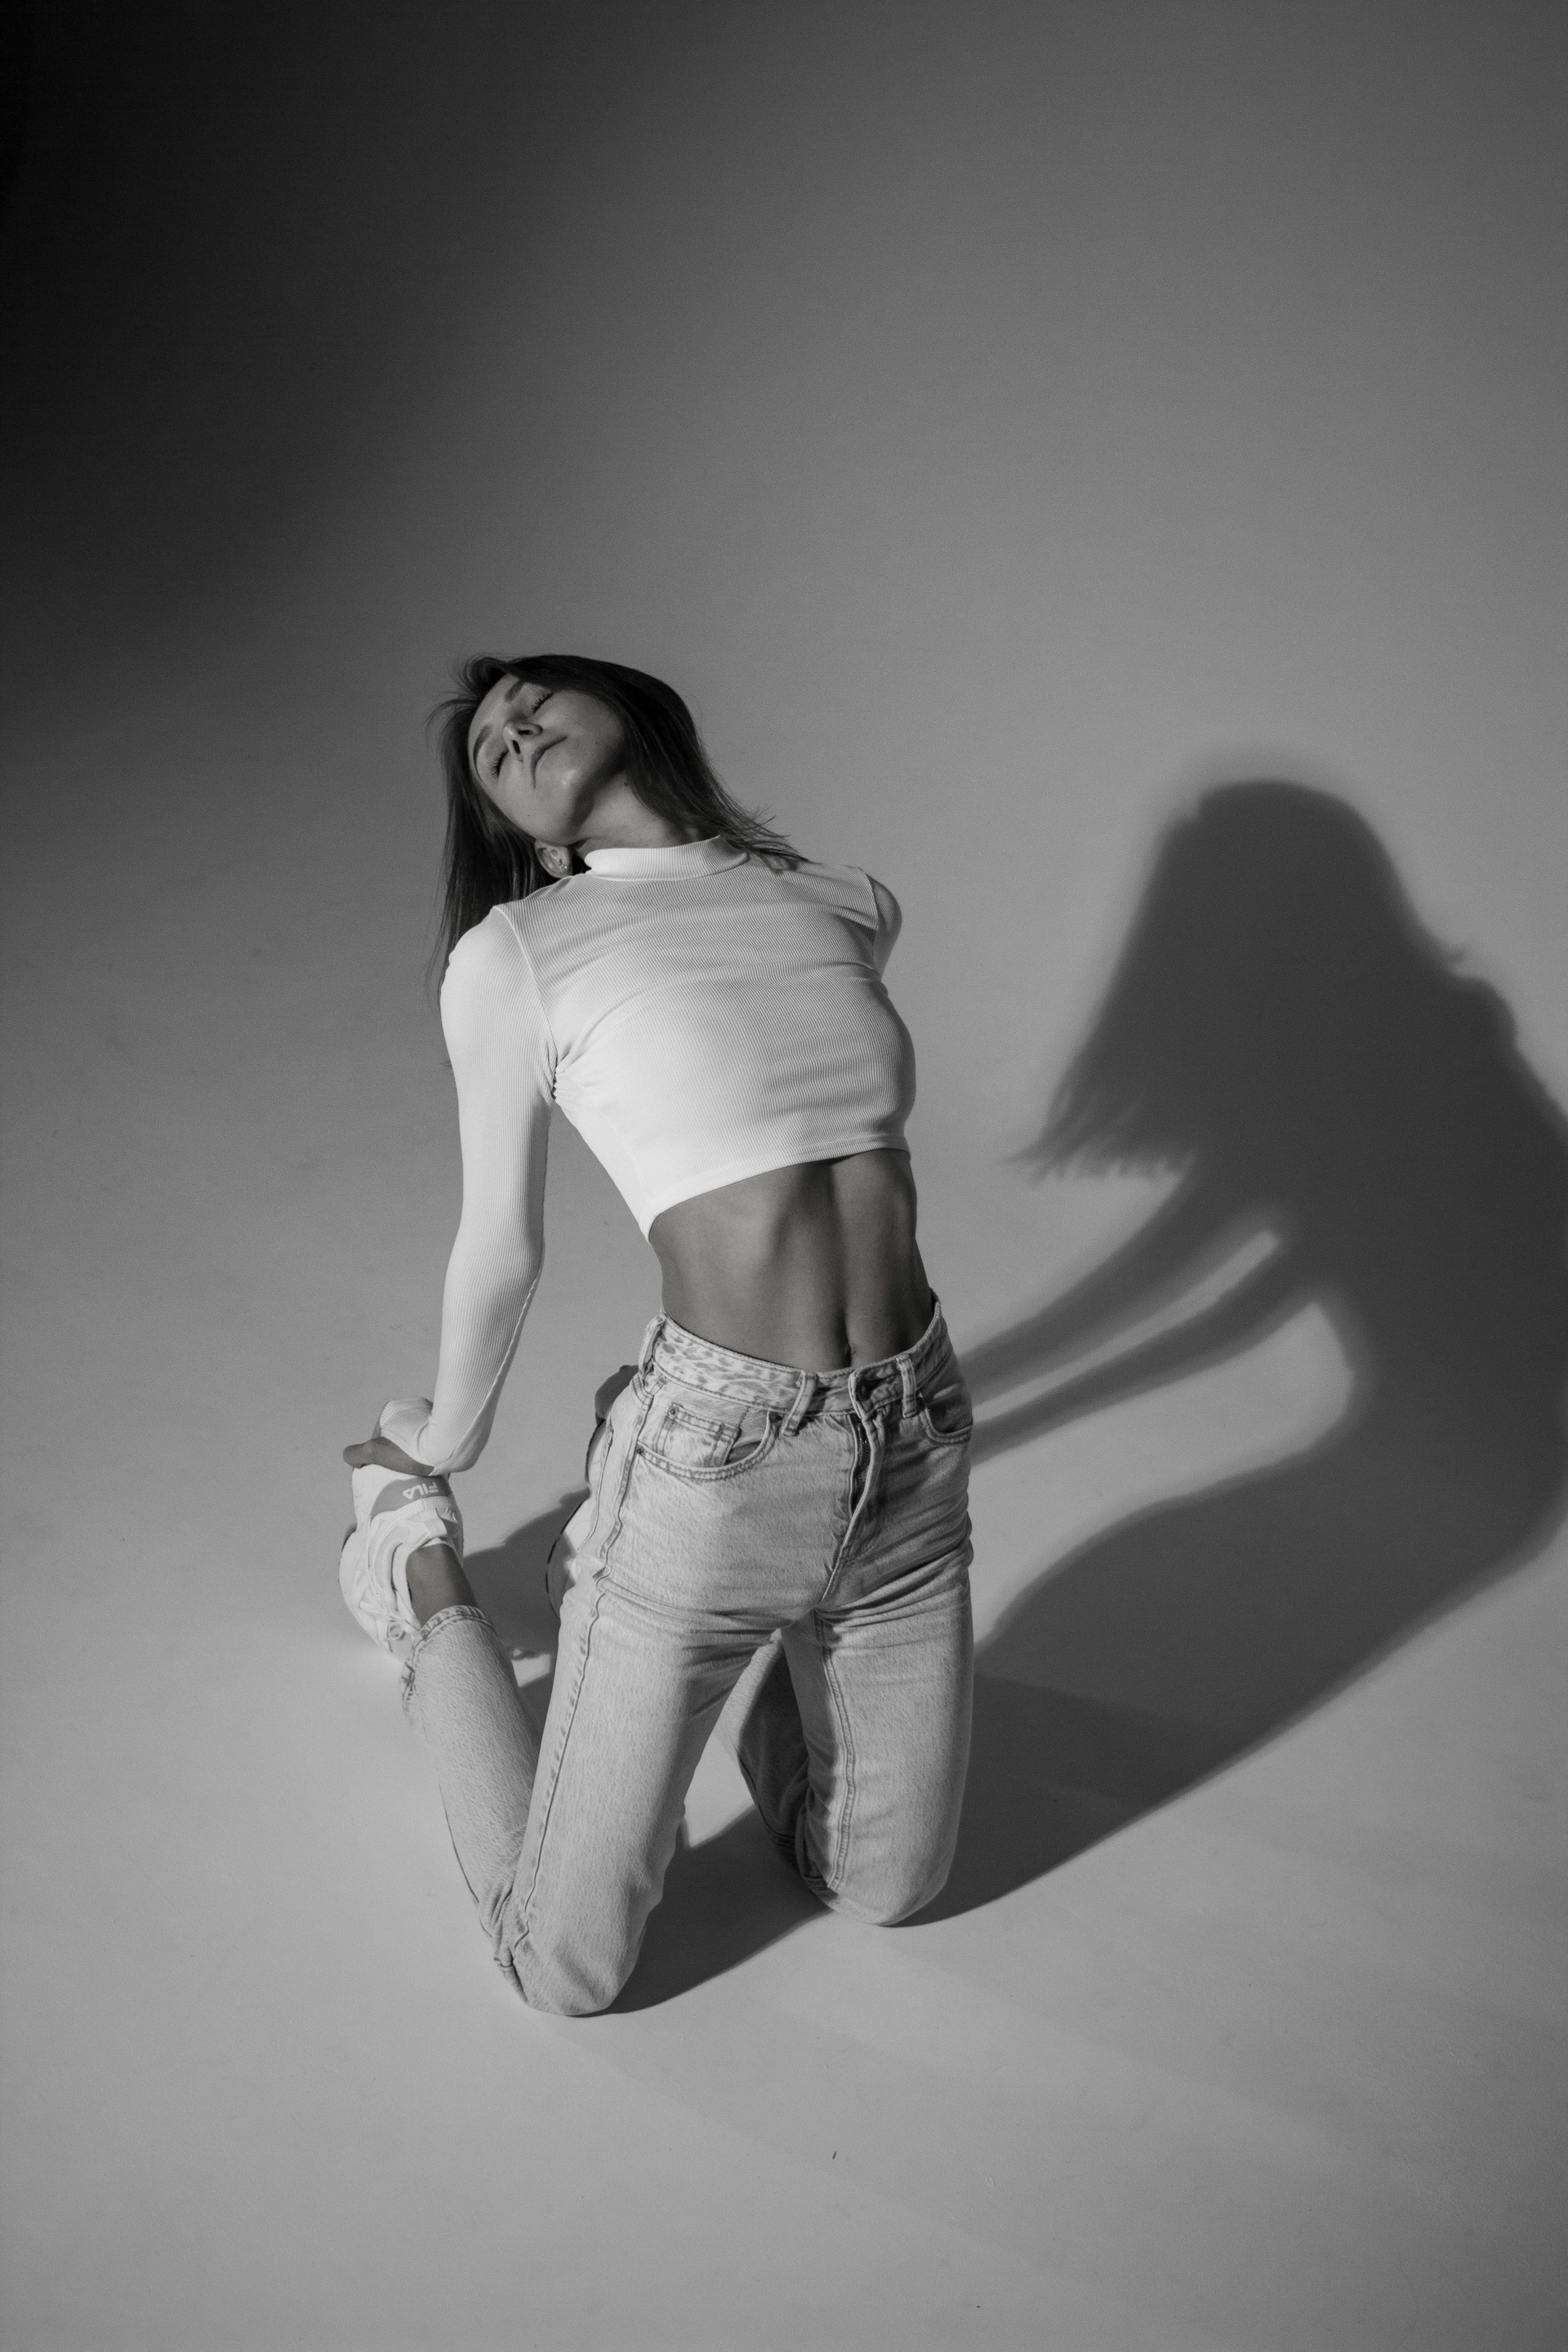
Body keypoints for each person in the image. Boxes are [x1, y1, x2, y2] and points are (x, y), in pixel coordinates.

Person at [340, 654, 973, 2015]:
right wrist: (438, 1446)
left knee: (887, 1887)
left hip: (913, 1430)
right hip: (719, 1451)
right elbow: (502, 1238)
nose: (511, 730)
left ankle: (752, 1630)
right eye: (488, 753)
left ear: (631, 705)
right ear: (524, 835)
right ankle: (417, 1576)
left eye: (532, 699)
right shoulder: (520, 954)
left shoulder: (839, 900)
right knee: (564, 1969)